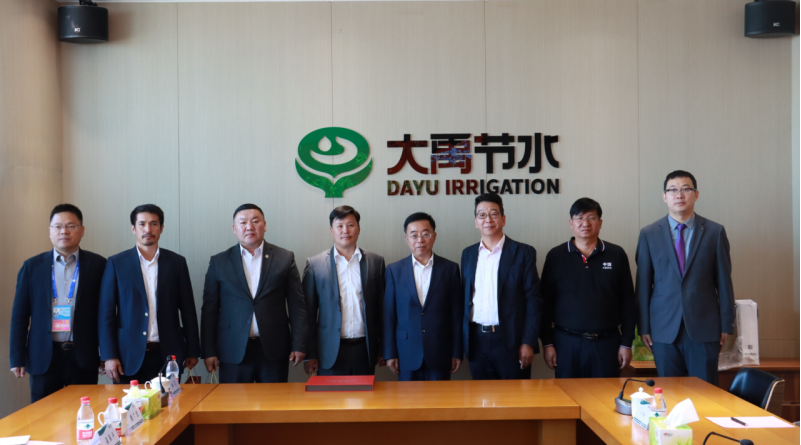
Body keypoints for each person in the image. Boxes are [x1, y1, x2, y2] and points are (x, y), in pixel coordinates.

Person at [636, 170, 735, 385]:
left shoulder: (714, 232)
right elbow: (642, 285)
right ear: (664, 196)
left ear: (696, 194)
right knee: (669, 392)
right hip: (663, 329)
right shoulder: (649, 234)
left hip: (704, 327)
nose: (679, 195)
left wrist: (726, 324)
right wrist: (643, 327)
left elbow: (724, 282)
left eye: (685, 189)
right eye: (673, 190)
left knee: (706, 393)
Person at [10, 204, 107, 402]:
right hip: (43, 356)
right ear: (50, 231)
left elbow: (106, 314)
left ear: (82, 230)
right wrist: (17, 357)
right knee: (42, 415)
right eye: (58, 226)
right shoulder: (32, 267)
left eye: (71, 226)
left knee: (83, 413)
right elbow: (20, 316)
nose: (64, 231)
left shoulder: (99, 265)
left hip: (83, 356)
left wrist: (106, 353)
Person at [201, 204, 307, 383]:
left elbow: (298, 306)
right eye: (243, 222)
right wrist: (208, 351)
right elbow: (209, 310)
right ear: (234, 229)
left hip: (274, 348)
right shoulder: (219, 262)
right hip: (232, 349)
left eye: (255, 221)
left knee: (274, 400)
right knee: (234, 401)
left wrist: (300, 344)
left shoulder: (284, 258)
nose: (249, 227)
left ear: (264, 225)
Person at [99, 204, 200, 384]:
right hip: (127, 356)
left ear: (161, 228)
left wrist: (193, 350)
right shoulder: (117, 263)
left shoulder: (176, 263)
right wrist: (108, 355)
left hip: (168, 355)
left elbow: (188, 310)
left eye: (154, 224)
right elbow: (106, 314)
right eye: (142, 224)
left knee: (170, 402)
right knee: (129, 402)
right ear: (133, 228)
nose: (148, 229)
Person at [539, 198, 636, 378]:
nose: (585, 223)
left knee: (605, 394)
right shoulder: (556, 256)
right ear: (571, 223)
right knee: (568, 394)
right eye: (579, 218)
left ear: (600, 223)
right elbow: (544, 303)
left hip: (607, 344)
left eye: (591, 218)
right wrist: (547, 343)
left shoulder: (616, 254)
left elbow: (628, 301)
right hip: (566, 344)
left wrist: (626, 343)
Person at [461, 193, 542, 380]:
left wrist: (528, 342)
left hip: (512, 341)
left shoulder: (523, 252)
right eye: (482, 215)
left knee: (515, 397)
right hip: (477, 341)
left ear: (503, 219)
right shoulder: (468, 254)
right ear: (476, 221)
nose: (488, 219)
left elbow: (534, 300)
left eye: (493, 214)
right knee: (480, 396)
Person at [302, 206, 386, 376]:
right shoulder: (315, 264)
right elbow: (308, 314)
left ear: (359, 229)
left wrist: (383, 348)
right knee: (330, 395)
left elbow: (383, 310)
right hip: (328, 350)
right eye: (339, 226)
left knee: (366, 394)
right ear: (331, 230)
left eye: (350, 225)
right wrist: (309, 354)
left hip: (365, 350)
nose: (345, 231)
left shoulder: (376, 262)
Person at [383, 213, 463, 381]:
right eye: (414, 235)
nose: (420, 240)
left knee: (439, 397)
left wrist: (456, 352)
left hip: (440, 352)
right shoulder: (394, 271)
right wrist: (390, 353)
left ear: (434, 236)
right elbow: (389, 316)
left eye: (425, 234)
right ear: (407, 239)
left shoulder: (450, 269)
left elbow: (456, 315)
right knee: (407, 398)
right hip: (405, 352)